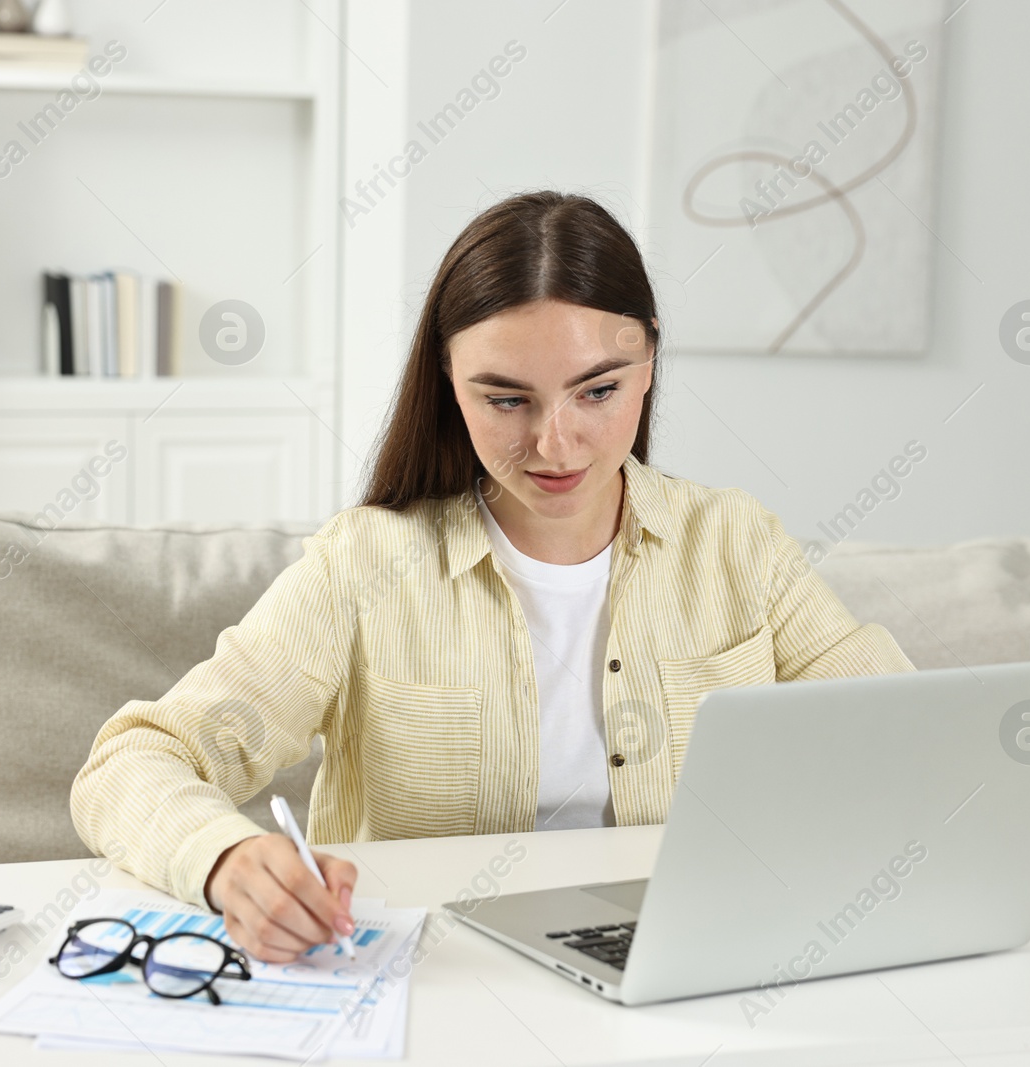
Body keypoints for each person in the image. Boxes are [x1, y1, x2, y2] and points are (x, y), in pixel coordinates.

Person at [70, 190, 915, 964]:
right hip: (438, 980)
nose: (556, 444)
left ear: (650, 360)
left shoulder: (736, 545)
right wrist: (224, 860)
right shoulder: (368, 564)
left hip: (690, 967)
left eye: (598, 390)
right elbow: (132, 762)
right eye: (506, 400)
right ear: (448, 380)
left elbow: (902, 737)